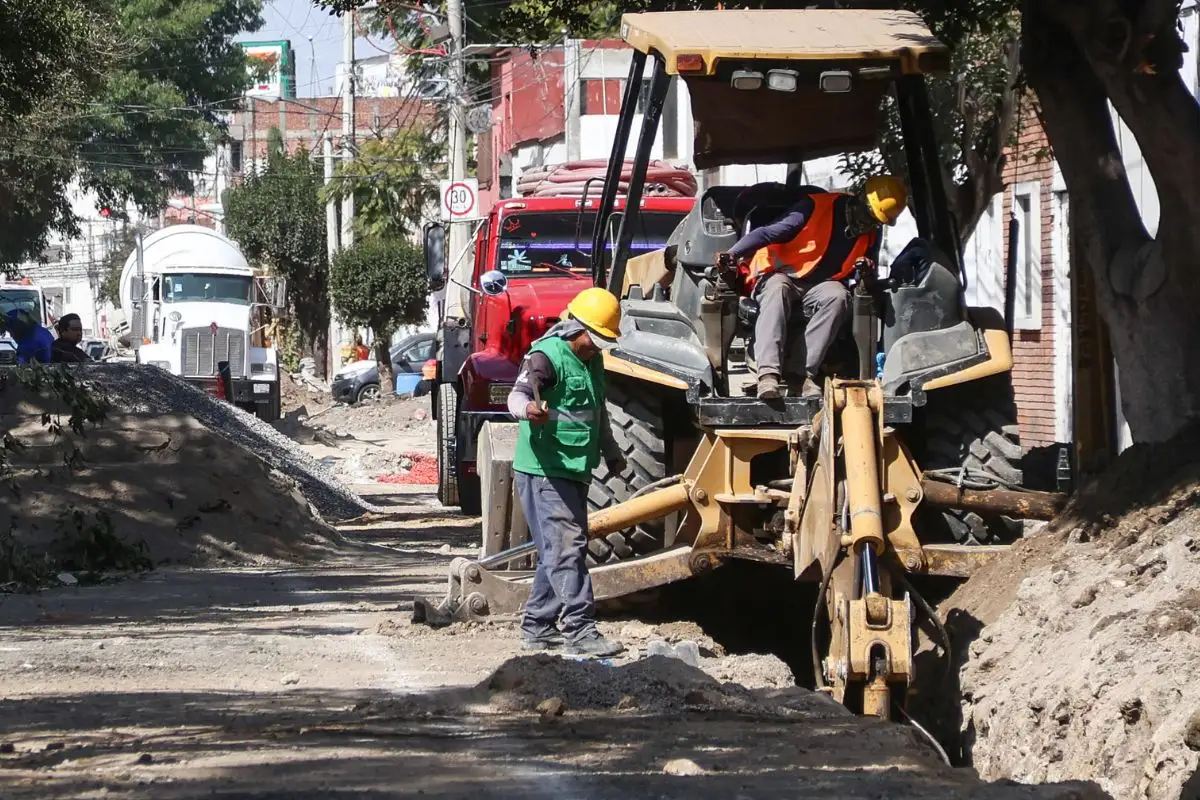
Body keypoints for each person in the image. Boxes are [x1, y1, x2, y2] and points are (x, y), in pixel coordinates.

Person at [506, 287, 627, 658]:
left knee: (554, 550)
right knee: (567, 548)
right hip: (544, 469)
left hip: (574, 468)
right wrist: (528, 410)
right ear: (576, 327)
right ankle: (580, 629)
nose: (598, 347)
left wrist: (612, 453)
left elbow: (597, 412)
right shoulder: (547, 356)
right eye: (595, 339)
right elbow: (517, 395)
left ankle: (539, 626)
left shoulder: (592, 361)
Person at [718, 175, 908, 400]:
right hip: (779, 273)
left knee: (838, 296)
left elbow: (865, 271)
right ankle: (768, 375)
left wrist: (866, 270)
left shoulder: (870, 233)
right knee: (778, 289)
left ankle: (804, 374)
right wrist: (733, 253)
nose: (867, 223)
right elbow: (767, 233)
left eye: (875, 220)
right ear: (859, 199)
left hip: (819, 284)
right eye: (867, 215)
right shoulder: (814, 207)